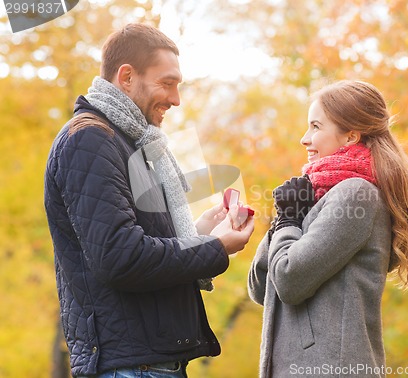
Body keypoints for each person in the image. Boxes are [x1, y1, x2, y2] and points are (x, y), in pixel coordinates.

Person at [44, 23, 254, 378]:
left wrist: (202, 232)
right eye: (167, 83)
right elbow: (121, 257)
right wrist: (214, 248)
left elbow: (141, 239)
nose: (176, 99)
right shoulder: (90, 140)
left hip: (150, 363)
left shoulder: (131, 144)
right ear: (126, 76)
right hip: (130, 367)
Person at [248, 80, 408, 378]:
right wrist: (285, 219)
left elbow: (289, 282)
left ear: (351, 136)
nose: (304, 139)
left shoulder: (357, 194)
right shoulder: (318, 198)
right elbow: (261, 290)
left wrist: (290, 219)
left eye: (316, 127)